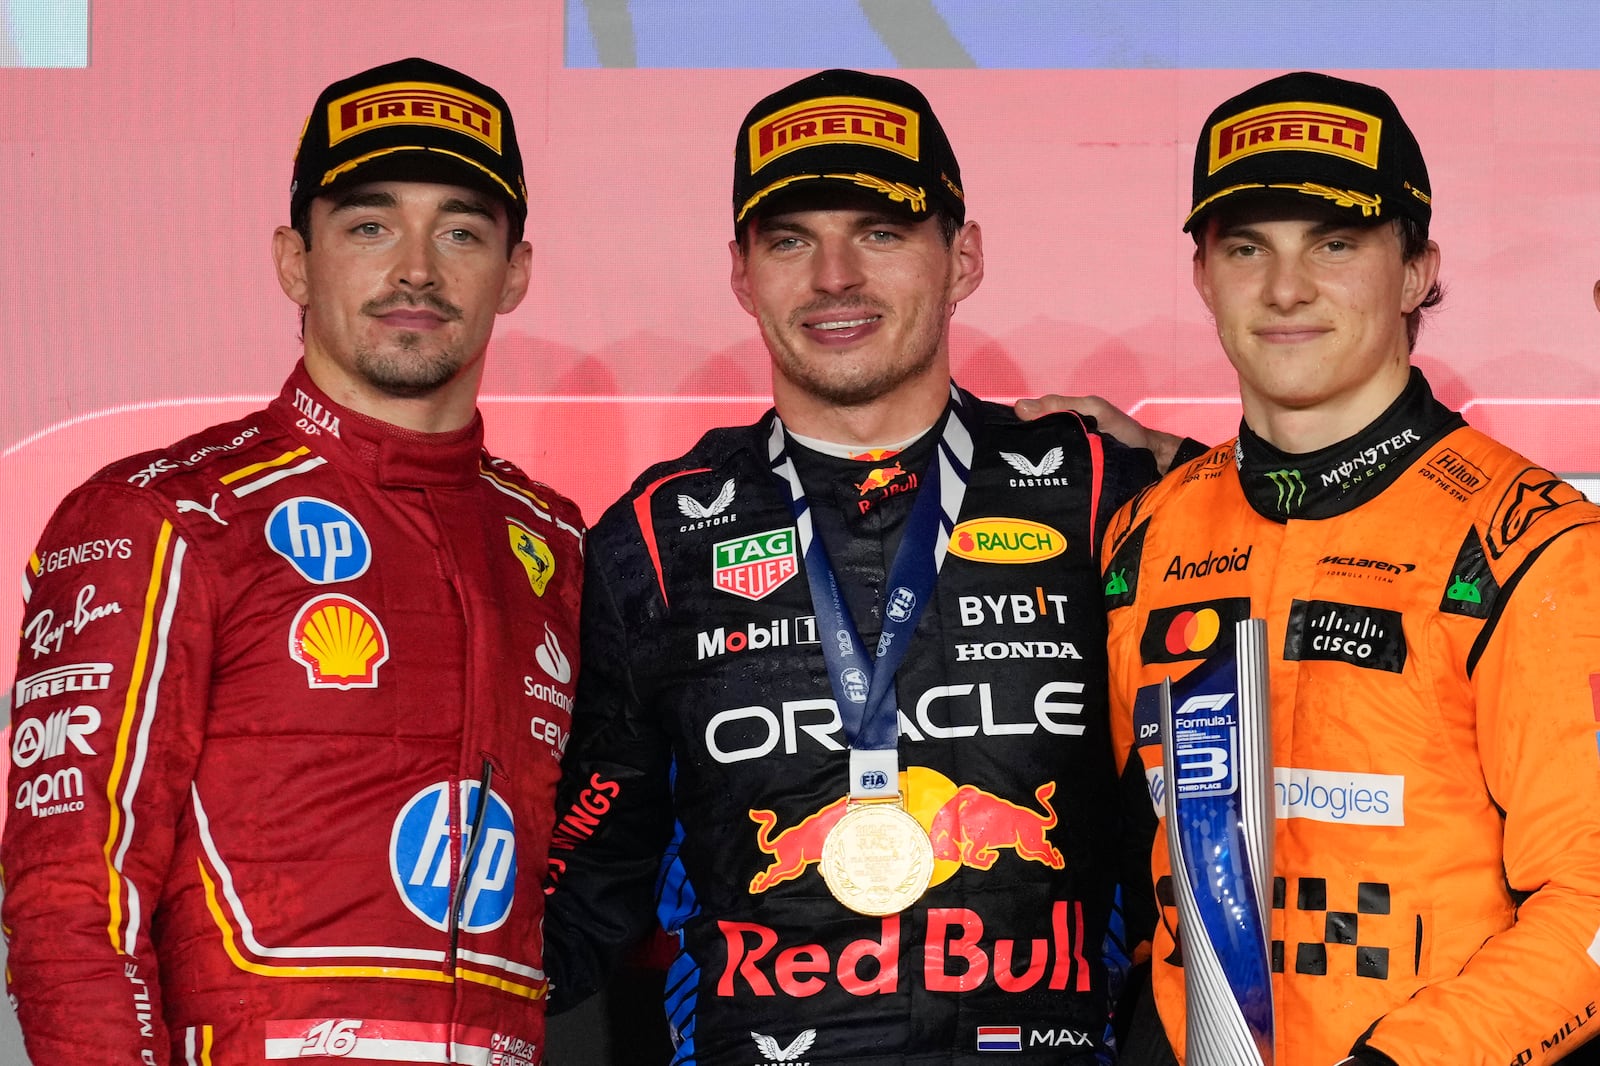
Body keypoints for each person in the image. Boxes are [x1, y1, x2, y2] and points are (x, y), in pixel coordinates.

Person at [541, 68, 1164, 1064]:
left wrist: (1199, 472)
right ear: (742, 274)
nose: (834, 275)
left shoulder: (1102, 493)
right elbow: (583, 882)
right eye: (790, 239)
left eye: (878, 231)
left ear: (961, 257)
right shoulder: (658, 537)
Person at [2, 58, 583, 1064]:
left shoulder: (555, 541)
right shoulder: (168, 514)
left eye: (460, 231)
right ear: (294, 260)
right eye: (368, 227)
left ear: (515, 271)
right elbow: (69, 897)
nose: (416, 270)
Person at [1097, 71, 1600, 1065]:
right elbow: (1112, 863)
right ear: (1202, 276)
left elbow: (1590, 897)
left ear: (1414, 271)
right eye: (1247, 248)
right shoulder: (1143, 538)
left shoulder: (1527, 542)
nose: (1286, 288)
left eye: (1334, 243)